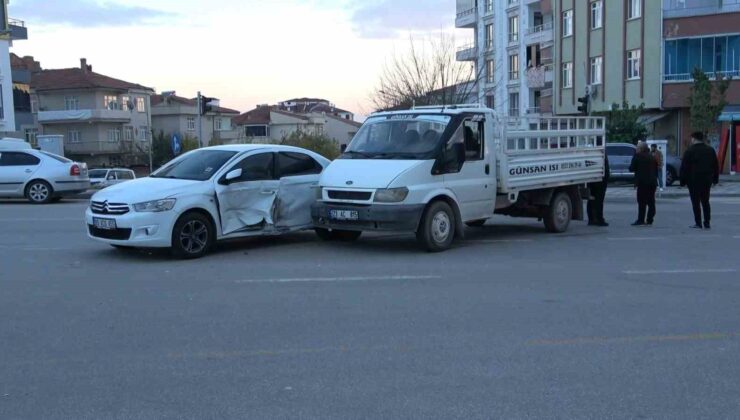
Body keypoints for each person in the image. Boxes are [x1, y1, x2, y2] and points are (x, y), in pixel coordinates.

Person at [680, 132, 720, 229]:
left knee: (695, 202)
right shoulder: (710, 150)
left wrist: (683, 181)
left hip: (693, 180)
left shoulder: (689, 151)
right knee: (705, 201)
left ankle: (698, 223)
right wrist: (715, 179)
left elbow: (684, 167)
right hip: (706, 180)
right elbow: (716, 166)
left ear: (693, 139)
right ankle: (707, 222)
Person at [629, 141, 658, 226]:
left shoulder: (637, 156)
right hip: (652, 183)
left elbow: (632, 168)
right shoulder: (652, 157)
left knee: (642, 202)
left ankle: (641, 220)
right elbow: (656, 169)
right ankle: (650, 219)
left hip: (642, 182)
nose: (636, 149)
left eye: (637, 147)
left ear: (641, 149)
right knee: (651, 201)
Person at [587, 155, 610, 226]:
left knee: (592, 199)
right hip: (600, 179)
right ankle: (599, 219)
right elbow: (605, 168)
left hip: (592, 178)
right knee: (599, 200)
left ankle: (591, 219)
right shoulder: (601, 153)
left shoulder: (592, 153)